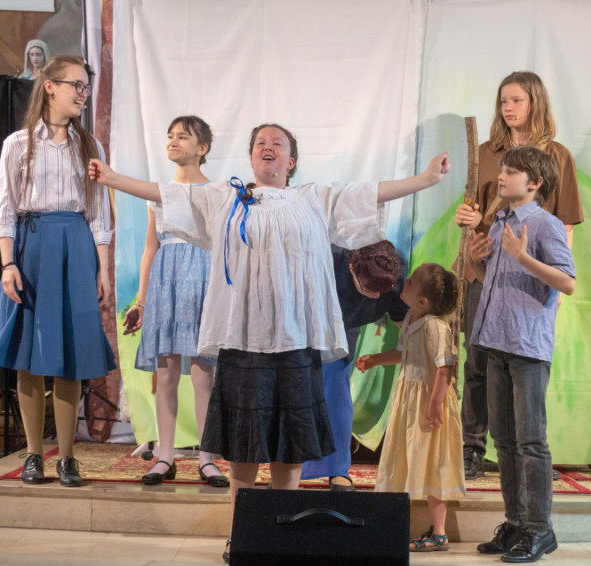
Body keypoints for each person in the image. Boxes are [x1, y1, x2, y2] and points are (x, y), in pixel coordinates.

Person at [89, 123, 450, 562]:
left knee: (289, 443)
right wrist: (113, 178)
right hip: (243, 342)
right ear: (251, 157)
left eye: (278, 143)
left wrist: (426, 179)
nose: (269, 147)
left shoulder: (312, 199)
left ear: (290, 161)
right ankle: (240, 535)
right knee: (243, 445)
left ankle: (285, 535)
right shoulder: (226, 197)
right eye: (261, 142)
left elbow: (369, 192)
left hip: (295, 343)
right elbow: (168, 195)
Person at [0, 55, 115, 488]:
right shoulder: (18, 144)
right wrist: (8, 263)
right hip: (32, 247)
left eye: (86, 86)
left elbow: (98, 214)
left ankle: (68, 457)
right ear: (50, 86)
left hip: (75, 246)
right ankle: (34, 454)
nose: (82, 93)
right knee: (30, 354)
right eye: (76, 84)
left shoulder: (90, 146)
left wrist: (102, 269)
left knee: (70, 356)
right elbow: (5, 209)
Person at [454, 71, 583, 482]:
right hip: (484, 268)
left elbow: (564, 223)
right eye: (503, 101)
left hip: (530, 274)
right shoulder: (486, 153)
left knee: (524, 366)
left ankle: (526, 455)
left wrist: (556, 282)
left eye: (517, 100)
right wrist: (468, 218)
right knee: (478, 363)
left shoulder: (557, 156)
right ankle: (472, 449)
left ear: (535, 103)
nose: (507, 108)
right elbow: (476, 211)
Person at [466, 146, 576, 563]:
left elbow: (567, 282)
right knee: (504, 441)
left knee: (531, 441)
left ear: (535, 183)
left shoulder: (545, 224)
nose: (502, 176)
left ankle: (540, 529)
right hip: (497, 343)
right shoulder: (500, 222)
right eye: (503, 169)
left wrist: (522, 256)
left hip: (527, 347)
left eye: (512, 171)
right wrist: (476, 263)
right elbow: (494, 281)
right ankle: (514, 522)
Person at [121, 116, 227, 488]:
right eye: (170, 135)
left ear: (202, 148)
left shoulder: (216, 192)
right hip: (166, 284)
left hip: (203, 283)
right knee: (165, 373)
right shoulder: (160, 193)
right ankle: (165, 456)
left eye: (183, 136)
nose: (174, 141)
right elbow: (150, 250)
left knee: (203, 375)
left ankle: (206, 458)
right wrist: (141, 302)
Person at [356, 263, 466, 553]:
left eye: (411, 282)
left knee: (433, 462)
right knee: (405, 457)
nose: (405, 281)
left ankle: (439, 532)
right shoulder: (410, 318)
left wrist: (435, 402)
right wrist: (375, 359)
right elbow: (403, 353)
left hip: (430, 404)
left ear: (423, 301)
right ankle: (395, 528)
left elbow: (446, 367)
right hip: (409, 401)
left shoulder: (436, 327)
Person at [300, 240, 408, 491]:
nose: (376, 297)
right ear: (351, 268)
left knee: (337, 387)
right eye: (368, 289)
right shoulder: (328, 258)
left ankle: (337, 469)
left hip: (343, 327)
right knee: (297, 392)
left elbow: (407, 329)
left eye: (381, 291)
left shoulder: (393, 274)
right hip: (305, 317)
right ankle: (290, 468)